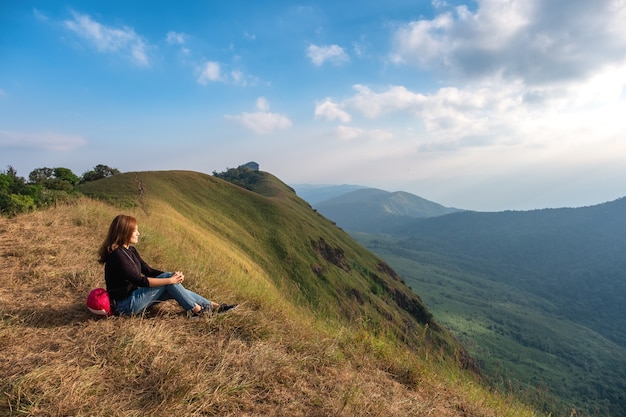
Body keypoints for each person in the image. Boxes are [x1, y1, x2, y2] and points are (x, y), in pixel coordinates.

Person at [98, 214, 237, 318]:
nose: (138, 233)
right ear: (125, 232)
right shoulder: (117, 255)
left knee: (171, 286)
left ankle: (215, 307)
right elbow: (139, 281)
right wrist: (170, 279)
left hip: (134, 298)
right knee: (169, 281)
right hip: (125, 305)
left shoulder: (130, 251)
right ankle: (198, 311)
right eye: (135, 231)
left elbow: (148, 271)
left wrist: (173, 277)